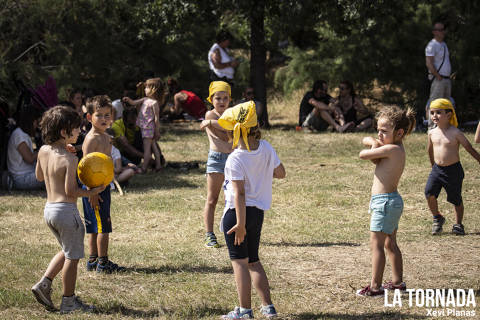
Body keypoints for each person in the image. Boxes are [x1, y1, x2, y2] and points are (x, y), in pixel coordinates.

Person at [216, 101, 285, 318]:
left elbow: (240, 194)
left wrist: (240, 224)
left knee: (239, 264)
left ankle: (245, 311)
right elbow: (281, 173)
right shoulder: (265, 148)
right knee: (254, 260)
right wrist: (262, 170)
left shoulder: (235, 159)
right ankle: (268, 307)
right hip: (257, 213)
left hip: (238, 216)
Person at [32, 106, 104, 313]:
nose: (80, 132)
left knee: (67, 250)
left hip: (49, 211)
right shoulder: (70, 159)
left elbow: (39, 176)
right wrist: (94, 191)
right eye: (76, 129)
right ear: (64, 132)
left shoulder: (44, 150)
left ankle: (44, 284)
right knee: (73, 258)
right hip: (66, 212)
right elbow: (70, 191)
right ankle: (69, 301)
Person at [356, 105, 416, 297]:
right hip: (389, 202)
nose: (379, 134)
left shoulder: (392, 149)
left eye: (384, 131)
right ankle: (397, 283)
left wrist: (373, 143)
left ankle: (375, 287)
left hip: (385, 202)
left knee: (377, 245)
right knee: (390, 244)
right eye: (378, 130)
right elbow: (369, 145)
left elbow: (363, 154)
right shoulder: (392, 147)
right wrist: (374, 141)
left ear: (399, 132)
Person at [82, 95, 126, 273]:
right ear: (89, 117)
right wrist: (92, 192)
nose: (104, 119)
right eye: (99, 115)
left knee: (94, 225)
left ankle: (92, 260)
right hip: (94, 188)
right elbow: (85, 167)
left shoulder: (105, 136)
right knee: (102, 227)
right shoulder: (92, 138)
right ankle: (103, 263)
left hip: (101, 186)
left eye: (107, 115)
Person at [425, 99, 480, 236]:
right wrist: (433, 166)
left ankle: (458, 224)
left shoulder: (455, 133)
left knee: (455, 198)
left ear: (449, 115)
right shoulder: (432, 133)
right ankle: (437, 217)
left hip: (453, 170)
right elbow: (429, 150)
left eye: (439, 112)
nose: (434, 116)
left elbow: (469, 148)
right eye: (432, 113)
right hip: (437, 170)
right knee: (429, 193)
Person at [199, 81, 233, 248]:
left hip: (233, 159)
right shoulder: (209, 115)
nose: (221, 101)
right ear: (211, 99)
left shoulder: (231, 115)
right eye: (218, 98)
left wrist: (215, 125)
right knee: (212, 199)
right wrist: (214, 123)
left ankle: (231, 229)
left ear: (230, 99)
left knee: (231, 199)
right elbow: (226, 132)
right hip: (216, 160)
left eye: (225, 98)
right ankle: (209, 234)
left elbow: (230, 131)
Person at [123, 78, 166, 173]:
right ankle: (158, 165)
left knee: (147, 149)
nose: (145, 89)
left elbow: (156, 118)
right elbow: (134, 103)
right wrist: (129, 100)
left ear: (153, 89)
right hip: (144, 128)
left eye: (147, 87)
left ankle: (144, 168)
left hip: (148, 129)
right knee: (153, 146)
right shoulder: (145, 99)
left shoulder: (154, 103)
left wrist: (157, 131)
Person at [7, 107, 45, 190]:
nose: (36, 125)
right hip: (21, 178)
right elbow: (30, 159)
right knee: (52, 174)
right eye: (36, 122)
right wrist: (44, 149)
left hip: (28, 173)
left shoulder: (23, 134)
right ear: (30, 121)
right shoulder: (19, 135)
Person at [425, 21, 452, 127]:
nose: (442, 32)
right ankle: (431, 127)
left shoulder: (444, 44)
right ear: (434, 32)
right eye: (439, 30)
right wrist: (437, 76)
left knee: (445, 105)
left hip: (446, 79)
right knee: (435, 104)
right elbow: (429, 63)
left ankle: (443, 126)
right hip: (438, 79)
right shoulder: (432, 45)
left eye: (442, 29)